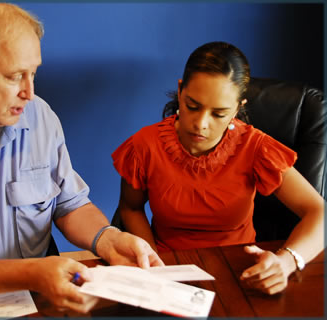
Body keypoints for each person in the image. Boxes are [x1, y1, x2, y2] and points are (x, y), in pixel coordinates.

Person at [0, 2, 164, 314]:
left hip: (39, 300)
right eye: (15, 76)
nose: (29, 91)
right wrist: (32, 274)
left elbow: (70, 204)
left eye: (33, 73)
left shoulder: (39, 115)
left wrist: (108, 239)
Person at [111, 41, 324, 295]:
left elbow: (319, 212)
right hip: (168, 270)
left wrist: (287, 261)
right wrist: (152, 261)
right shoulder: (145, 146)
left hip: (240, 273)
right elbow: (131, 207)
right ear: (180, 91)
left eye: (219, 113)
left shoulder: (256, 148)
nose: (201, 124)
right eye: (193, 106)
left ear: (238, 107)